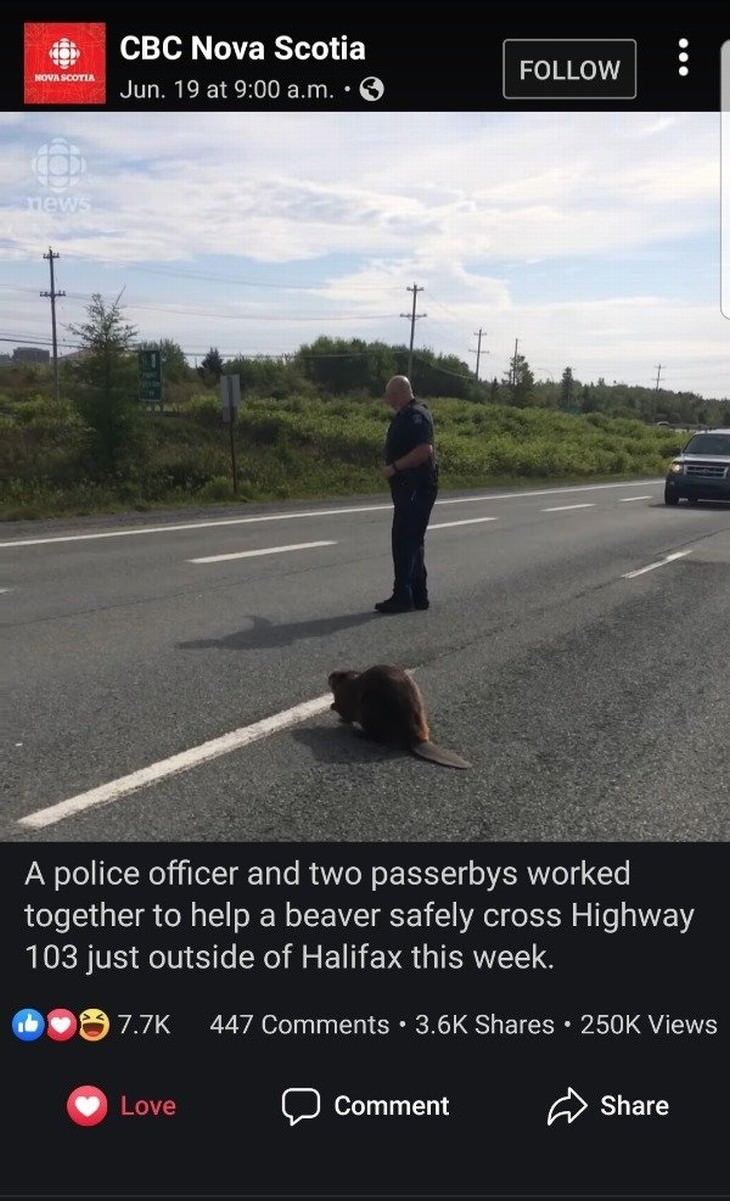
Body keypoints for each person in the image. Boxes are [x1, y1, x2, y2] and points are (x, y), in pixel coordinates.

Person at [375, 375, 439, 614]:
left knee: (404, 541)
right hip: (409, 488)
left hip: (415, 487)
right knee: (413, 541)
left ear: (401, 393)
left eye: (390, 396)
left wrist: (394, 468)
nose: (388, 401)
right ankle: (418, 595)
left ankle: (403, 596)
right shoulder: (407, 414)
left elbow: (424, 450)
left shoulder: (416, 416)